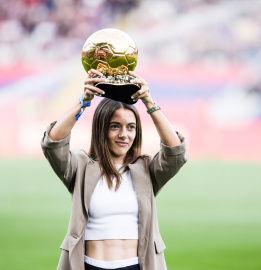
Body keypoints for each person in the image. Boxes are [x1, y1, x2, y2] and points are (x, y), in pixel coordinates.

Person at [41, 68, 188, 270]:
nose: (124, 134)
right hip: (90, 265)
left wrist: (149, 103)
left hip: (136, 265)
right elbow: (53, 143)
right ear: (102, 129)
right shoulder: (81, 167)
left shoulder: (146, 169)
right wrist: (83, 101)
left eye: (131, 127)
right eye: (114, 126)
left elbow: (175, 152)